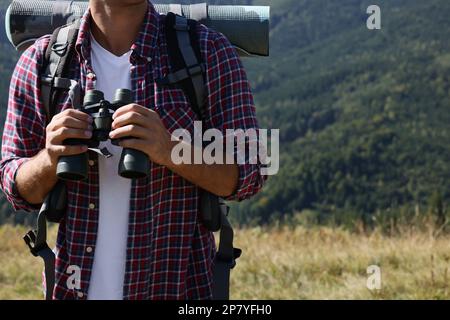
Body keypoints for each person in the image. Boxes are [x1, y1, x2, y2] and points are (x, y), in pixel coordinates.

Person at [0, 0, 265, 300]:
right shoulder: (43, 61)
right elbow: (16, 188)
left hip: (176, 289)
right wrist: (50, 158)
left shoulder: (208, 52)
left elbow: (251, 171)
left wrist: (171, 150)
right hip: (72, 289)